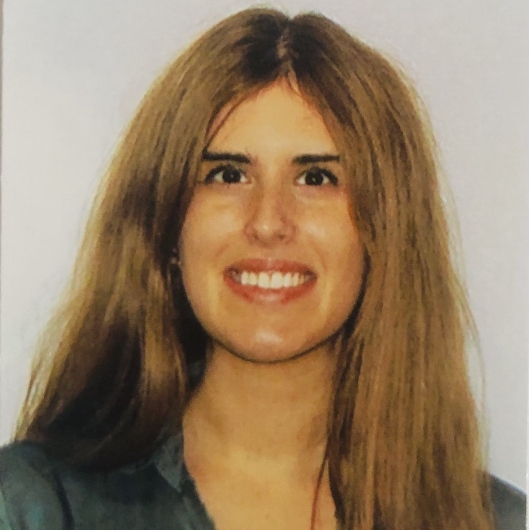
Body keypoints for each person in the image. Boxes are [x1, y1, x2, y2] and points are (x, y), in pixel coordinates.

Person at [0, 7, 525, 530]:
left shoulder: (492, 521)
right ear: (166, 223)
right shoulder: (35, 506)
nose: (269, 222)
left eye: (316, 178)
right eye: (228, 174)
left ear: (384, 232)